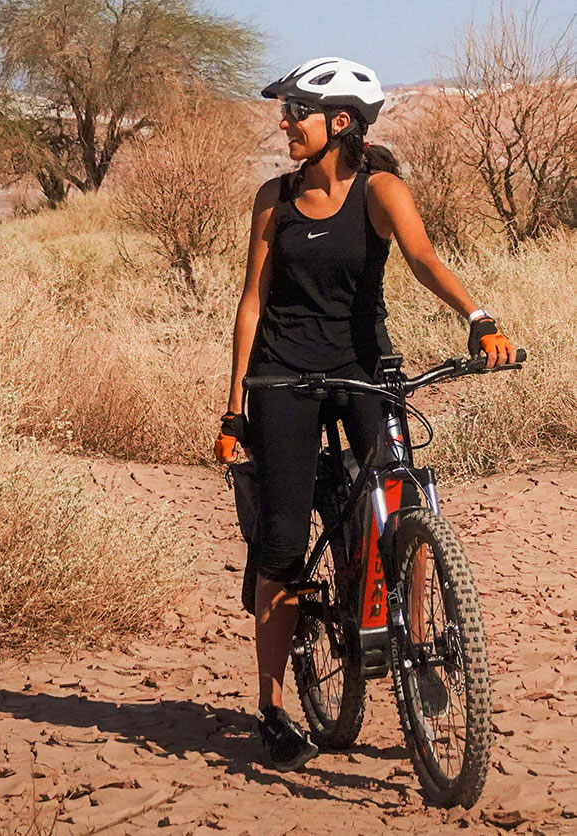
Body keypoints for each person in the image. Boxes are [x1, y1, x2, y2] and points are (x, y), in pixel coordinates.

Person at [213, 58, 514, 771]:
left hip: (363, 371)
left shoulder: (379, 189)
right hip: (282, 378)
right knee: (283, 543)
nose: (283, 122)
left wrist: (478, 316)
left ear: (338, 123)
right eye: (285, 111)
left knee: (397, 498)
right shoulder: (273, 197)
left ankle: (410, 637)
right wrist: (232, 414)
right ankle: (273, 706)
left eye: (295, 111)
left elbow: (421, 257)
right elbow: (250, 301)